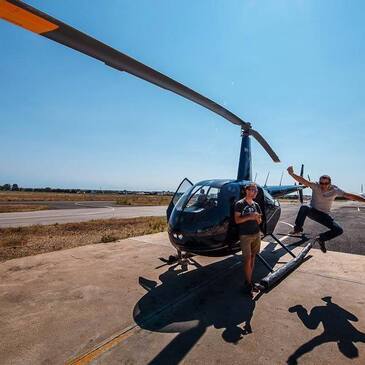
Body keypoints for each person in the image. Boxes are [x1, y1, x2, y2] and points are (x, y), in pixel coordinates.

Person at [287, 166, 365, 253]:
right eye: (321, 183)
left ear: (330, 183)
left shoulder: (335, 190)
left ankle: (321, 238)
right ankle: (297, 228)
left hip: (323, 215)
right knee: (304, 207)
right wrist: (292, 174)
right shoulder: (315, 186)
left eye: (326, 183)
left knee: (338, 230)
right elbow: (303, 181)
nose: (323, 185)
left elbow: (350, 196)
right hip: (312, 211)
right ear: (319, 182)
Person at [234, 183, 262, 296]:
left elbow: (259, 221)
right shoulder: (240, 204)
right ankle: (248, 283)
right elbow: (237, 220)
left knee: (253, 257)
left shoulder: (256, 205)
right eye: (253, 190)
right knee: (247, 260)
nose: (255, 192)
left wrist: (257, 218)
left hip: (256, 234)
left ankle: (250, 281)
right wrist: (250, 216)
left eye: (256, 191)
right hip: (245, 236)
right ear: (246, 191)